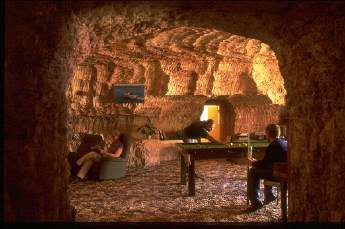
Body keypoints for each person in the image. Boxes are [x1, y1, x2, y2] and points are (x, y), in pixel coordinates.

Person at [243, 124, 288, 212]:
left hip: (278, 174)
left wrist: (252, 162)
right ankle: (269, 195)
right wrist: (256, 161)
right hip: (285, 171)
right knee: (266, 169)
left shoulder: (273, 146)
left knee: (253, 172)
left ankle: (255, 203)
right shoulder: (283, 142)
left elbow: (264, 164)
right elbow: (269, 161)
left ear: (267, 133)